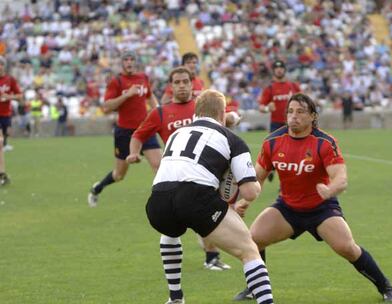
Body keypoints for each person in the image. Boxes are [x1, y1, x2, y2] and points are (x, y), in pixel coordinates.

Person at [234, 93, 392, 302]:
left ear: (313, 116)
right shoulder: (273, 142)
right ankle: (254, 288)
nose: (294, 116)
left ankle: (386, 288)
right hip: (287, 207)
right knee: (253, 240)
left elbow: (341, 178)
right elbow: (257, 178)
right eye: (291, 112)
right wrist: (245, 201)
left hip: (321, 208)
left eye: (301, 112)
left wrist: (330, 191)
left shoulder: (324, 142)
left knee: (347, 248)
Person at [145, 89, 275, 304]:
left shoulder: (176, 134)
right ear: (223, 113)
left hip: (157, 200)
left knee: (170, 231)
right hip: (194, 197)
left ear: (195, 112)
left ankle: (175, 296)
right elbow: (250, 192)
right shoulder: (232, 139)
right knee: (250, 251)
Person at [127, 67, 231, 272]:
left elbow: (221, 126)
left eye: (185, 81)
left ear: (193, 85)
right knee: (177, 221)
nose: (182, 85)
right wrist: (133, 152)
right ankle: (202, 261)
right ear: (171, 86)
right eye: (177, 82)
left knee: (208, 215)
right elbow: (138, 135)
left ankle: (211, 256)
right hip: (175, 175)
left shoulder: (201, 108)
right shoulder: (160, 113)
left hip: (204, 173)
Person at [87, 50, 162, 207]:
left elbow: (150, 95)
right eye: (126, 60)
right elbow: (107, 107)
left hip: (144, 130)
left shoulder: (143, 78)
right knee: (119, 175)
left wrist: (158, 112)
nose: (129, 62)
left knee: (159, 165)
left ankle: (163, 200)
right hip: (124, 133)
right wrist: (126, 95)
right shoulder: (116, 82)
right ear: (122, 63)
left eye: (131, 59)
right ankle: (97, 188)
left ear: (135, 62)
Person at [258, 59, 301, 182]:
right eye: (277, 68)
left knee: (292, 152)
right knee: (275, 150)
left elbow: (303, 101)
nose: (279, 70)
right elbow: (261, 107)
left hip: (292, 123)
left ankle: (286, 180)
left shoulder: (293, 86)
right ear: (273, 71)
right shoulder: (270, 88)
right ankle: (271, 167)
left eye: (281, 67)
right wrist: (267, 108)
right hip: (276, 124)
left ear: (284, 70)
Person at [0, 56, 23, 185]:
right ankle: (2, 173)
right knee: (0, 142)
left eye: (1, 64)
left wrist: (9, 96)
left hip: (5, 115)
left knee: (1, 144)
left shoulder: (10, 80)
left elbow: (20, 96)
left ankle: (2, 174)